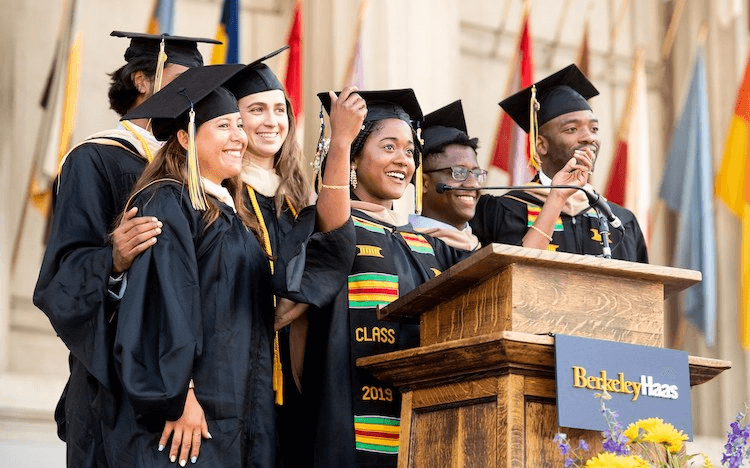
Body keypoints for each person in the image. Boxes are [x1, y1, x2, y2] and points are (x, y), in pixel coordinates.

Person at [110, 64, 353, 468]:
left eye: (239, 125)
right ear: (186, 138)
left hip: (237, 400)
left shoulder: (224, 211)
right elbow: (164, 304)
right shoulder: (169, 202)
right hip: (193, 407)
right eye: (225, 125)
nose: (240, 136)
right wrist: (179, 395)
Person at [33, 30, 218, 467]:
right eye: (181, 78)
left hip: (185, 381)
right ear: (142, 80)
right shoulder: (95, 159)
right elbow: (61, 276)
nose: (195, 91)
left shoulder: (196, 168)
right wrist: (112, 259)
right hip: (112, 382)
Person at [300, 88, 470, 468]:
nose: (403, 161)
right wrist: (341, 138)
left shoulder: (424, 240)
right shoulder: (331, 225)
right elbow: (334, 224)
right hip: (346, 413)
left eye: (410, 151)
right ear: (356, 158)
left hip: (417, 412)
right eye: (388, 147)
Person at [223, 47, 313, 468]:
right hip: (237, 366)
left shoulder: (299, 198)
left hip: (295, 372)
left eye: (280, 109)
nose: (272, 121)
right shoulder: (220, 194)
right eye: (256, 109)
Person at [469, 64, 649, 262]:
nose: (589, 137)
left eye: (594, 129)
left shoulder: (621, 221)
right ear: (541, 146)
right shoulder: (503, 211)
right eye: (572, 129)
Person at [408, 100, 484, 251]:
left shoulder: (480, 250)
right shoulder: (407, 247)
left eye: (476, 174)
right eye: (459, 172)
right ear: (423, 183)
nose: (473, 184)